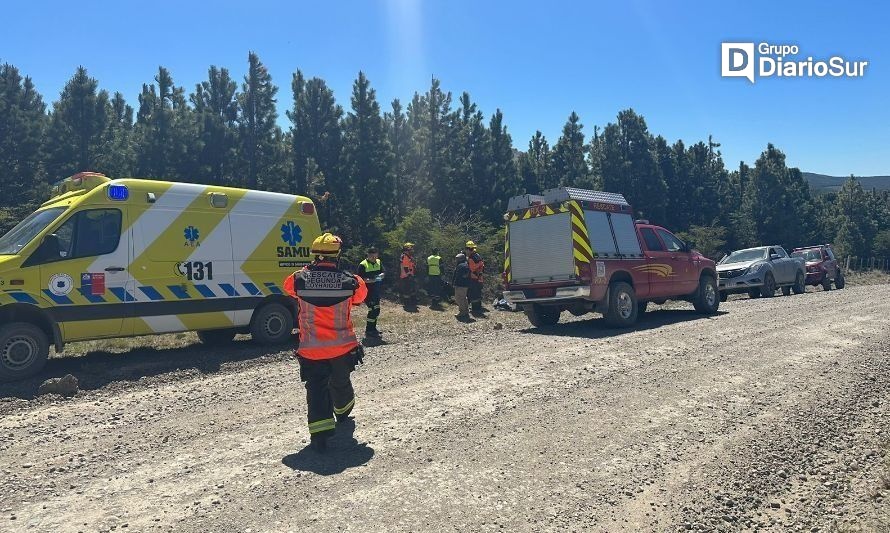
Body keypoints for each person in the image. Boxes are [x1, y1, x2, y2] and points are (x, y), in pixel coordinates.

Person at [283, 232, 368, 453]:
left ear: (315, 254)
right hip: (342, 347)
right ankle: (342, 411)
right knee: (341, 383)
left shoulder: (298, 278)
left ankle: (319, 435)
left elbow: (288, 289)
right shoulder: (352, 281)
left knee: (316, 389)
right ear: (337, 254)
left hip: (311, 350)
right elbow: (359, 298)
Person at [356, 246, 385, 338]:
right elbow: (360, 279)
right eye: (372, 256)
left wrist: (380, 276)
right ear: (368, 255)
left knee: (377, 310)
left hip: (376, 291)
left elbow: (383, 272)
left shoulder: (379, 262)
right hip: (367, 292)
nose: (374, 258)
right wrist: (372, 280)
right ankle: (369, 330)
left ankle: (373, 328)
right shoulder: (363, 265)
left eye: (375, 256)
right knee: (372, 310)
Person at [465, 240, 485, 315]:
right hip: (479, 278)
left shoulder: (471, 258)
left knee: (474, 294)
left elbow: (472, 269)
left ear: (468, 249)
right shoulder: (477, 255)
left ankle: (475, 309)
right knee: (478, 294)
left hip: (474, 279)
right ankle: (478, 308)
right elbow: (482, 266)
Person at [452, 253, 471, 321]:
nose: (456, 260)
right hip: (464, 285)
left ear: (460, 259)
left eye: (457, 258)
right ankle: (466, 311)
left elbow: (465, 274)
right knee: (463, 298)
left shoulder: (462, 265)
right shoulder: (464, 264)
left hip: (461, 285)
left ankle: (462, 312)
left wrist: (457, 282)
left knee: (458, 298)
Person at [399, 242, 417, 308]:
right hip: (406, 276)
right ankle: (407, 303)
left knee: (410, 289)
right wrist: (409, 275)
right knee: (407, 289)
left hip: (409, 275)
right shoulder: (405, 256)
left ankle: (412, 301)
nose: (412, 249)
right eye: (411, 247)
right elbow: (406, 267)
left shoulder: (407, 255)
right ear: (407, 248)